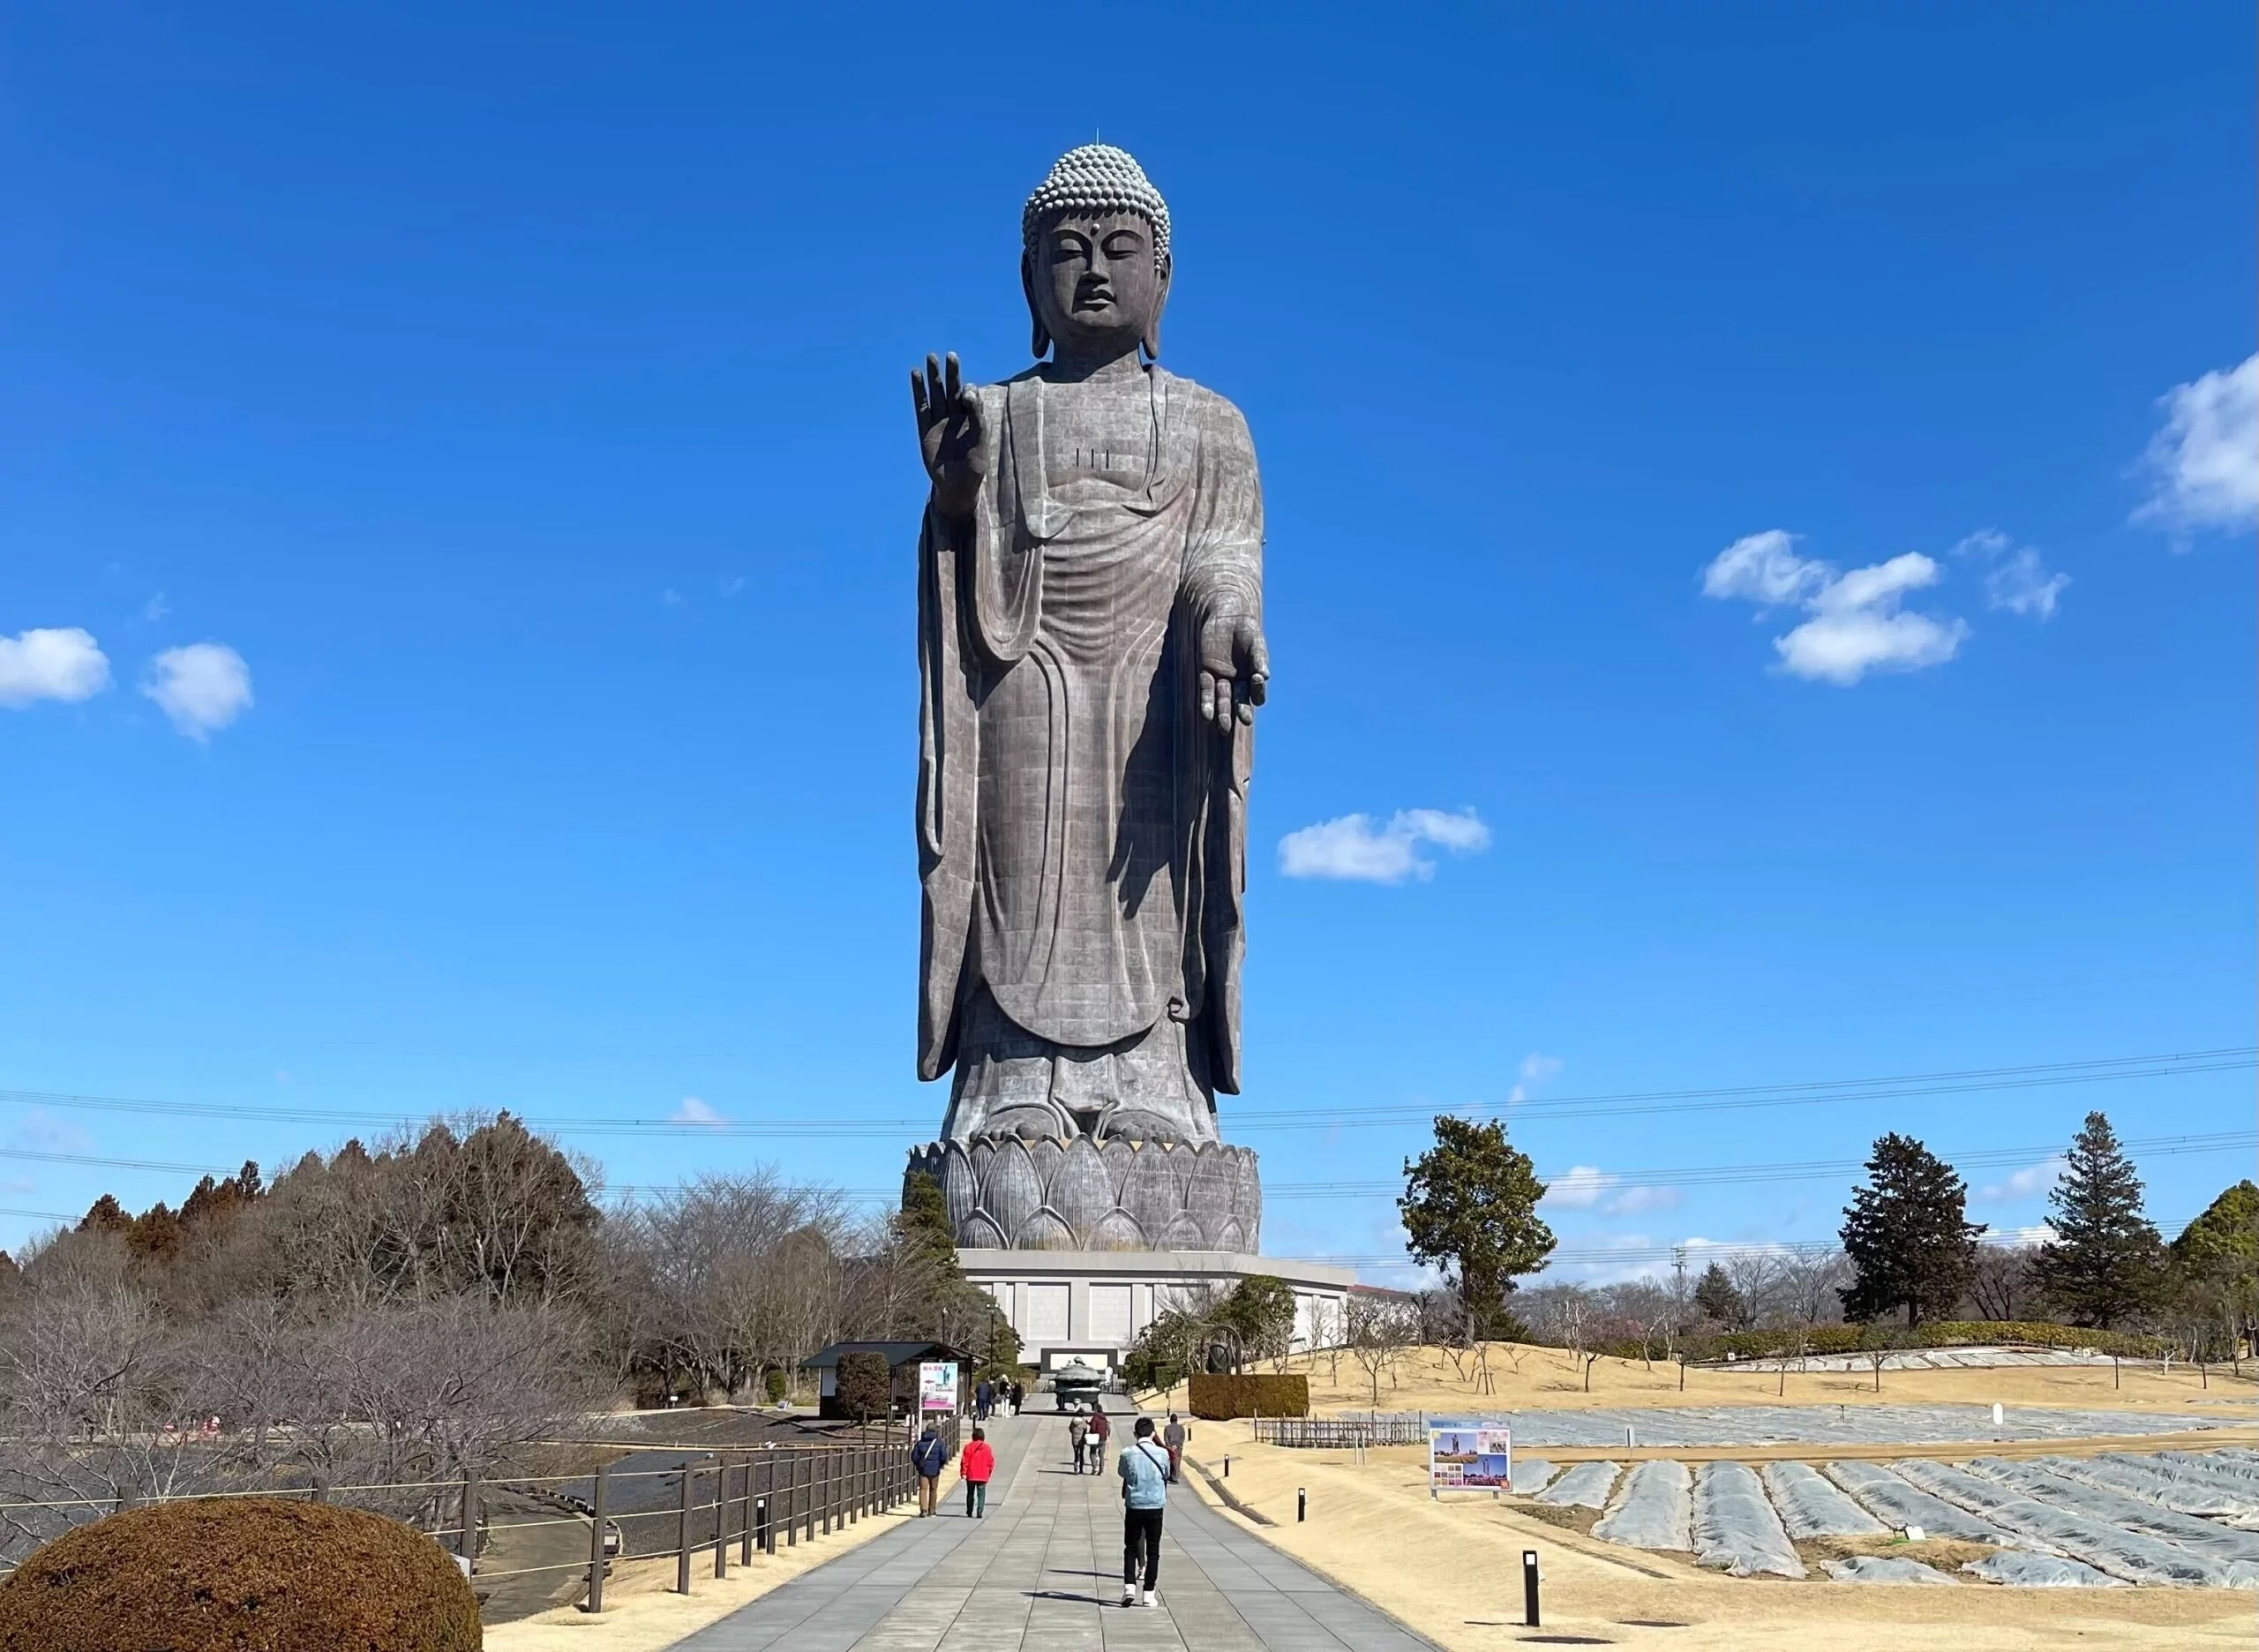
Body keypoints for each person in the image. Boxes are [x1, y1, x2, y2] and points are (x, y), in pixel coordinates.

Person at [1117, 1416, 1171, 1607]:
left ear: (1135, 1434)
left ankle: (1129, 1587)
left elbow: (1122, 1473)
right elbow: (1167, 1473)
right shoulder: (1162, 1454)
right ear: (1153, 1433)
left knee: (1131, 1547)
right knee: (1154, 1550)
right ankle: (1149, 1592)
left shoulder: (1127, 1453)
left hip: (1135, 1505)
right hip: (1155, 1505)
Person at [911, 1421, 951, 1517]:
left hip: (923, 1470)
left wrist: (919, 1464)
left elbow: (914, 1456)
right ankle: (932, 1509)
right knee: (933, 1490)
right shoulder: (939, 1443)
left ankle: (923, 1510)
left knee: (923, 1489)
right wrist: (939, 1465)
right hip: (935, 1470)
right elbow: (944, 1456)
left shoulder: (920, 1443)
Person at [961, 1425, 994, 1518]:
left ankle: (969, 1510)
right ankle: (980, 1510)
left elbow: (965, 1461)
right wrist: (989, 1472)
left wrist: (963, 1472)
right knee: (981, 1493)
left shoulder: (969, 1447)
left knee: (970, 1493)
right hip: (983, 1474)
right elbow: (991, 1462)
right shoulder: (987, 1448)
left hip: (971, 1474)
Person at [1161, 1412, 1188, 1483]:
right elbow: (1182, 1438)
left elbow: (1166, 1439)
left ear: (1170, 1420)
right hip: (1178, 1448)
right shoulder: (1181, 1428)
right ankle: (1175, 1477)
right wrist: (1178, 1445)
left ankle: (1170, 1475)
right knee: (1177, 1462)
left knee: (1170, 1462)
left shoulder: (1167, 1428)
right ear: (1177, 1420)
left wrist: (1169, 1446)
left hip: (1170, 1447)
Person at [1067, 1408, 1091, 1474]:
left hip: (1074, 1440)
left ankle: (1075, 1469)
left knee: (1076, 1454)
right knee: (1081, 1454)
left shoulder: (1073, 1421)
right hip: (1081, 1441)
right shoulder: (1083, 1422)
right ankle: (1081, 1469)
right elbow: (1085, 1430)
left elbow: (1071, 1430)